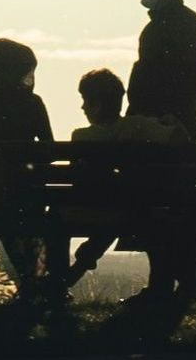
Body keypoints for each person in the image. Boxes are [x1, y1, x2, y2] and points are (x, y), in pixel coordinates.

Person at [127, 0, 196, 299]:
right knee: (180, 201)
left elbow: (152, 80)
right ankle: (186, 281)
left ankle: (164, 281)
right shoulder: (194, 24)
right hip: (180, 122)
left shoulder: (159, 28)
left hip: (158, 125)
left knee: (159, 202)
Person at [63, 68, 188, 290]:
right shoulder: (139, 126)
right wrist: (173, 123)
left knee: (71, 216)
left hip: (94, 209)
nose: (82, 107)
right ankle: (160, 289)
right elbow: (180, 139)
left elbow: (78, 180)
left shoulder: (81, 137)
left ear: (96, 104)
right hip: (139, 208)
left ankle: (62, 277)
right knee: (126, 211)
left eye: (84, 101)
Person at [0, 37, 54, 297]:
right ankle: (36, 282)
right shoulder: (33, 102)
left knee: (4, 221)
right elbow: (48, 149)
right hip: (31, 195)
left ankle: (18, 285)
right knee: (24, 223)